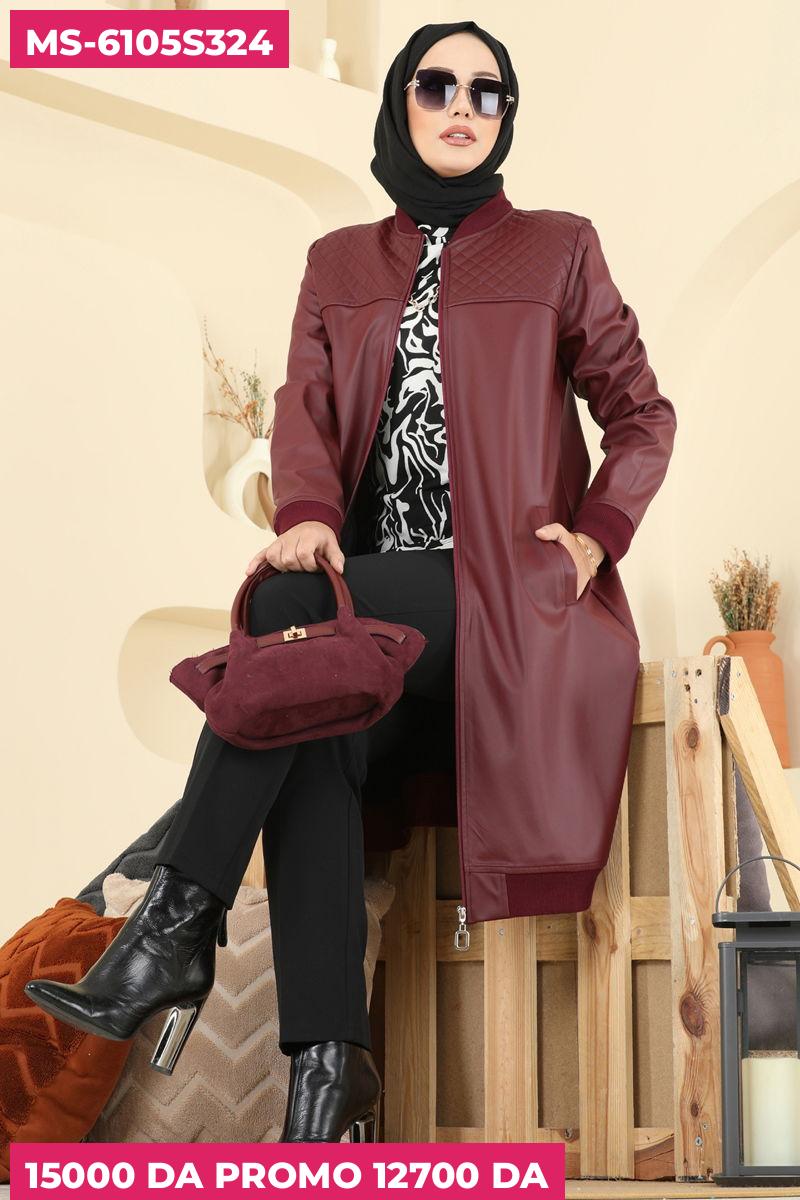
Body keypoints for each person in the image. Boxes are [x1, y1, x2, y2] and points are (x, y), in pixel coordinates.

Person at [23, 20, 657, 1143]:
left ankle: (170, 931)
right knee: (308, 710)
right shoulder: (338, 262)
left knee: (287, 613)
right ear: (400, 102)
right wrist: (308, 516)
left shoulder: (558, 248)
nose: (462, 107)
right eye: (436, 84)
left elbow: (640, 413)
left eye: (488, 92)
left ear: (506, 117)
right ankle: (330, 1072)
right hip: (370, 612)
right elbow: (303, 411)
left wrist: (594, 537)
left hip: (507, 603)